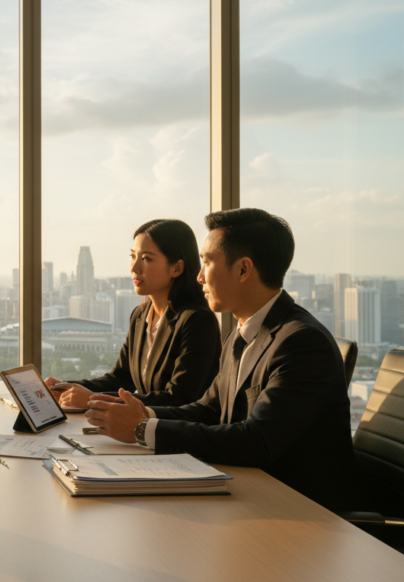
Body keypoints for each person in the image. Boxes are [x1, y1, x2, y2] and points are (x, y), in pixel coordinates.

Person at [84, 208, 354, 511]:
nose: (199, 276)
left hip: (298, 511)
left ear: (243, 270)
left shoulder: (300, 342)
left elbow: (257, 441)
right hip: (245, 491)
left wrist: (143, 429)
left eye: (207, 262)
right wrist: (141, 413)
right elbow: (209, 409)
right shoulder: (242, 333)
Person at [45, 219, 220, 408]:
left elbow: (177, 399)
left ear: (176, 268)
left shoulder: (197, 321)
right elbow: (119, 379)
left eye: (146, 259)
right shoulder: (140, 315)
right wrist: (64, 386)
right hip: (140, 431)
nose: (134, 268)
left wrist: (92, 400)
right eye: (133, 256)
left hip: (179, 434)